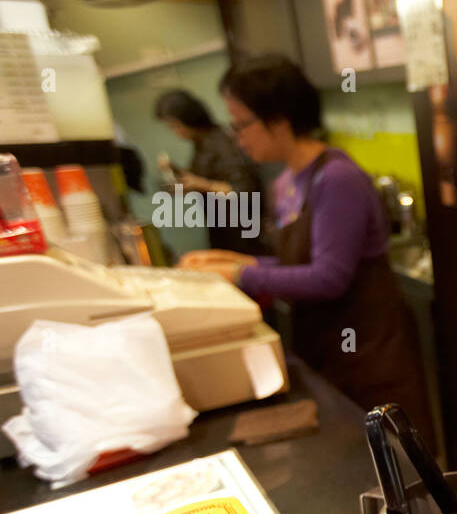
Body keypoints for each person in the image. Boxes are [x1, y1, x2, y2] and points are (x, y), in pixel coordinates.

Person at [177, 54, 439, 445]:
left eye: (242, 124)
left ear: (280, 120)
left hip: (368, 352)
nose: (238, 137)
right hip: (327, 347)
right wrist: (237, 260)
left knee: (392, 463)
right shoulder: (286, 182)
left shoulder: (336, 178)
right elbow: (296, 263)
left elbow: (329, 276)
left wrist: (239, 273)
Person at [153, 89, 266, 255]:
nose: (175, 132)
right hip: (224, 230)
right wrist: (176, 171)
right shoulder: (201, 144)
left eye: (175, 125)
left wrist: (204, 185)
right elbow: (202, 177)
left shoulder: (221, 143)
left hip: (244, 234)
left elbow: (245, 191)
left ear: (188, 118)